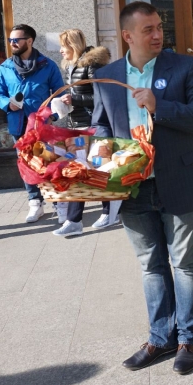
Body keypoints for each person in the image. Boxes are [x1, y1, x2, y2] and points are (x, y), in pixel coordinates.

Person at [90, 1, 193, 375]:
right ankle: (161, 338)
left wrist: (160, 107)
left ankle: (189, 338)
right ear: (128, 35)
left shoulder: (185, 67)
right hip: (133, 188)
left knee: (185, 264)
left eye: (159, 27)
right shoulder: (107, 76)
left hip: (181, 179)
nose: (158, 35)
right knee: (151, 265)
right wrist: (98, 153)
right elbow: (101, 126)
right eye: (148, 30)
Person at [0, 24, 65, 223]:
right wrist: (8, 104)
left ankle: (57, 202)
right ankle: (35, 202)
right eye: (10, 40)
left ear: (30, 41)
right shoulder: (5, 67)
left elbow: (60, 94)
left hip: (42, 125)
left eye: (16, 40)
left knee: (48, 162)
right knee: (26, 164)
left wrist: (53, 116)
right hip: (18, 125)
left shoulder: (47, 65)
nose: (12, 43)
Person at [52, 29, 113, 237]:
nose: (61, 51)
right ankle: (74, 220)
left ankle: (108, 212)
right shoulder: (72, 66)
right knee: (77, 171)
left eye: (63, 46)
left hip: (92, 125)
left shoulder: (91, 65)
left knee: (98, 169)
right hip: (77, 125)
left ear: (73, 45)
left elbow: (103, 95)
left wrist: (75, 100)